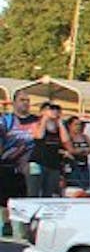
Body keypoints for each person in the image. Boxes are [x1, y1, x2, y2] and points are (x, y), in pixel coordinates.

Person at [1, 93, 38, 234]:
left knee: (28, 194)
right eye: (22, 100)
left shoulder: (36, 120)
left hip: (29, 162)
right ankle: (6, 223)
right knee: (6, 197)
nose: (25, 103)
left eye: (27, 100)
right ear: (14, 102)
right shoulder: (6, 120)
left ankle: (26, 225)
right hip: (8, 161)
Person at [29, 102, 70, 198]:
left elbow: (65, 140)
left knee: (48, 192)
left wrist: (60, 123)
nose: (53, 112)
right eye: (50, 110)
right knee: (34, 191)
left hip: (53, 163)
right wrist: (44, 119)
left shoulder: (58, 127)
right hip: (38, 162)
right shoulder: (36, 124)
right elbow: (39, 136)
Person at [63, 115, 90, 191]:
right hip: (72, 165)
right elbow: (71, 150)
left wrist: (81, 150)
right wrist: (84, 150)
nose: (78, 127)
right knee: (74, 185)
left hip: (84, 164)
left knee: (85, 185)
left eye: (80, 124)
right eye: (76, 124)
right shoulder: (68, 137)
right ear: (69, 125)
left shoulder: (84, 137)